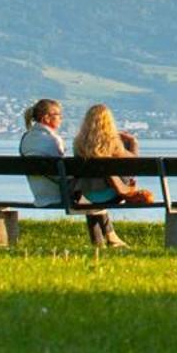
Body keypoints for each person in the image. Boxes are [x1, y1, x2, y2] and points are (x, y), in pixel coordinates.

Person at [71, 103, 148, 249]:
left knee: (92, 196)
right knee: (121, 177)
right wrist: (133, 142)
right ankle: (109, 239)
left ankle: (98, 243)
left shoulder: (78, 143)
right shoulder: (113, 143)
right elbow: (134, 165)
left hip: (86, 195)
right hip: (112, 195)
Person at [18, 98, 68, 206]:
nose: (61, 118)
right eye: (58, 114)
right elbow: (62, 170)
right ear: (46, 118)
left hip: (39, 194)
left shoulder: (26, 138)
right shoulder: (53, 139)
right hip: (59, 194)